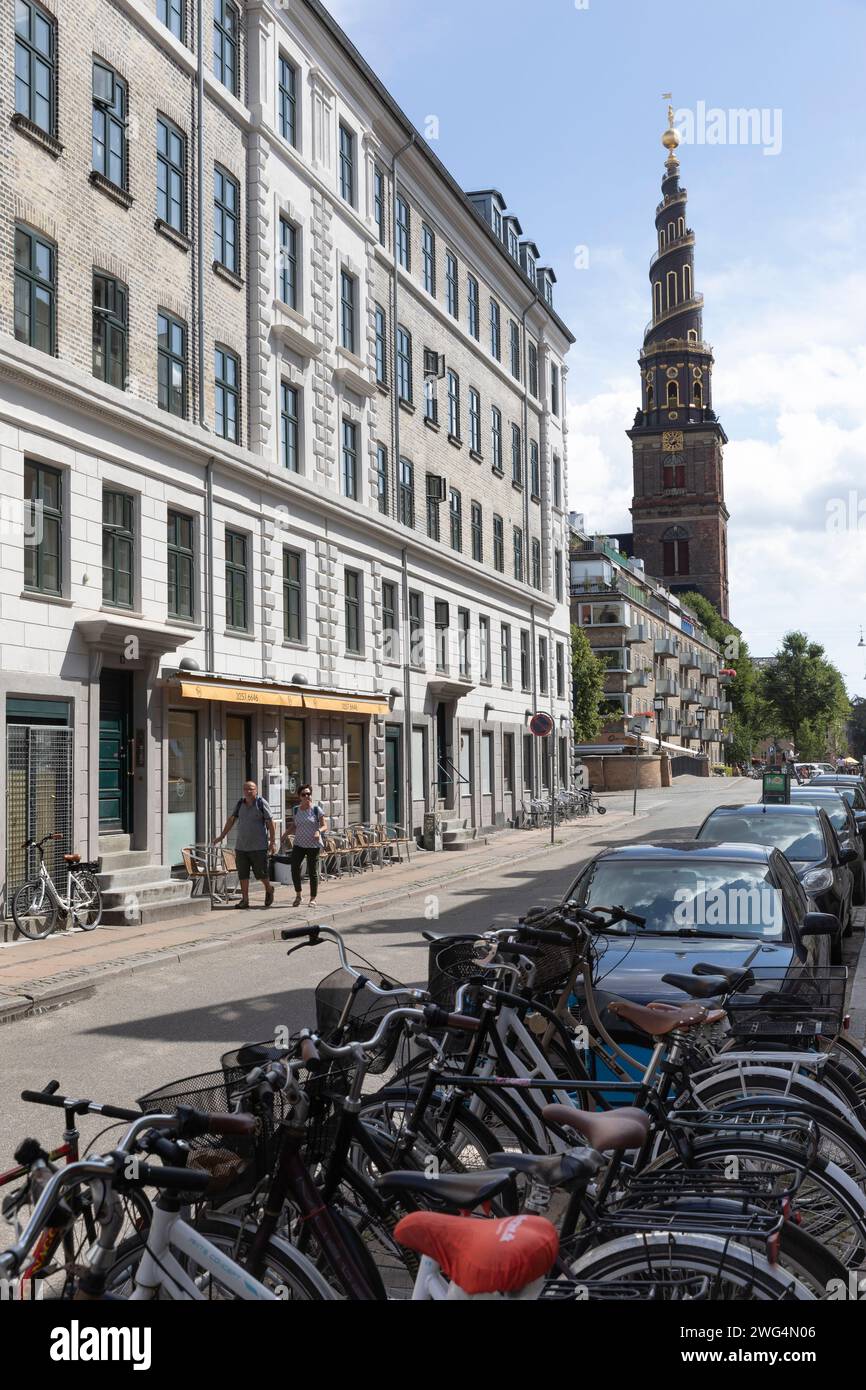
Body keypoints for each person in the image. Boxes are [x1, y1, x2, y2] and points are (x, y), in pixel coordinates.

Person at [213, 781, 276, 909]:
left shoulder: (261, 803)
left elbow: (270, 823)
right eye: (246, 789)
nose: (248, 791)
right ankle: (245, 900)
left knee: (261, 874)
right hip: (241, 846)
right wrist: (222, 836)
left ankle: (269, 889)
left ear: (256, 790)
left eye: (251, 789)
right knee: (243, 874)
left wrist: (273, 842)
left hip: (259, 846)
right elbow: (232, 820)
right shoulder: (240, 803)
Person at [281, 785, 329, 908]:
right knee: (294, 868)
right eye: (304, 794)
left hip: (313, 845)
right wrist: (285, 834)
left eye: (308, 794)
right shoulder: (296, 810)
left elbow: (325, 826)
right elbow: (294, 826)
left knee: (313, 871)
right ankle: (299, 895)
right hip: (299, 844)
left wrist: (319, 831)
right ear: (299, 797)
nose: (307, 796)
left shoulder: (316, 810)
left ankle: (313, 899)